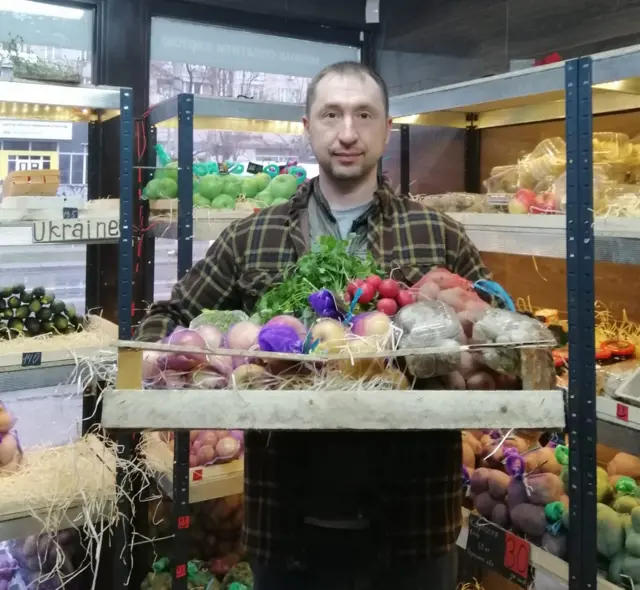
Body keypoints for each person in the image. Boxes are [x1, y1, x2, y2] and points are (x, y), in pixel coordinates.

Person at [136, 61, 491, 590]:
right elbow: (167, 319)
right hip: (287, 527)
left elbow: (492, 336)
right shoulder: (251, 238)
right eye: (331, 115)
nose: (348, 132)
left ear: (387, 129)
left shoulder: (439, 235)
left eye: (364, 115)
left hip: (414, 526)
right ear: (308, 128)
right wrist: (180, 362)